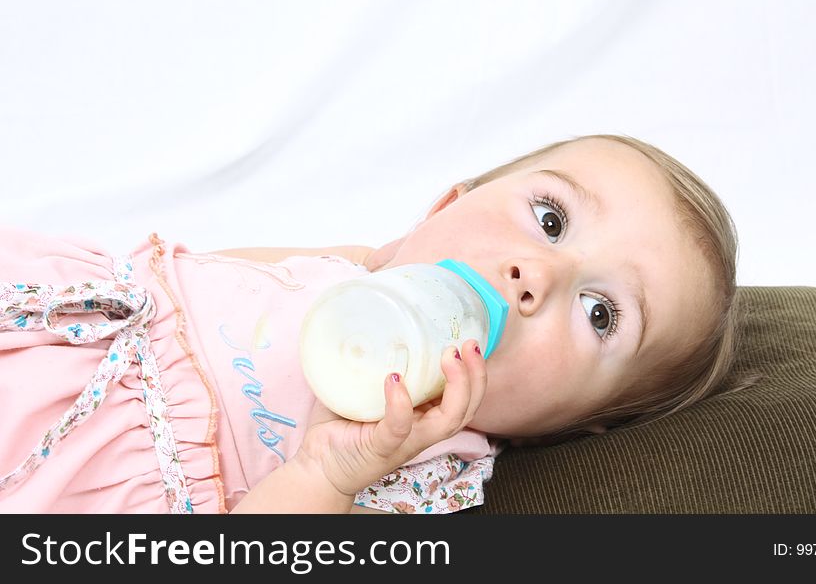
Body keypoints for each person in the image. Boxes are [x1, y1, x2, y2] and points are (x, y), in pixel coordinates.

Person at [0, 134, 739, 514]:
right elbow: (189, 278)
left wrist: (327, 473)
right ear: (442, 207)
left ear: (574, 422)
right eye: (550, 218)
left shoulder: (431, 468)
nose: (536, 275)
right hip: (59, 329)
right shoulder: (357, 273)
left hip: (81, 480)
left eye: (601, 313)